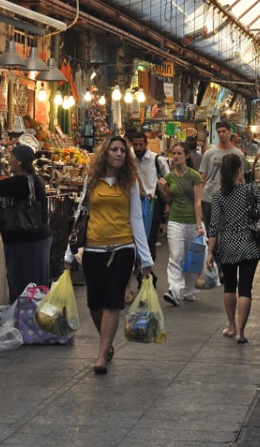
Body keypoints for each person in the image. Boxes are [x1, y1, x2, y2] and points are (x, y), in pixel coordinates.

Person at [77, 135, 154, 374]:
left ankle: (101, 355)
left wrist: (146, 257)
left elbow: (136, 219)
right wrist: (71, 252)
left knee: (112, 301)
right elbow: (82, 210)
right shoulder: (92, 179)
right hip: (93, 248)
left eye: (123, 150)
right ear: (105, 154)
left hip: (122, 248)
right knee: (94, 303)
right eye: (115, 150)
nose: (119, 154)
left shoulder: (129, 182)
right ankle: (106, 341)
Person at [0, 144, 52, 298]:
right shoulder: (29, 180)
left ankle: (26, 318)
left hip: (27, 241)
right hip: (33, 239)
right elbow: (16, 207)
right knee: (30, 285)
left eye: (12, 158)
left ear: (19, 162)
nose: (10, 161)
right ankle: (28, 317)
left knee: (25, 286)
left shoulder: (22, 181)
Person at [205, 153, 260, 344]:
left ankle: (231, 326)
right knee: (245, 289)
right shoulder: (250, 190)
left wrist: (210, 252)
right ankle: (241, 332)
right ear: (239, 171)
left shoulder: (218, 196)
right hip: (249, 244)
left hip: (228, 245)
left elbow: (214, 226)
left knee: (230, 286)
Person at [160, 143, 204, 306]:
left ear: (186, 156)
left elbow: (198, 201)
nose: (176, 156)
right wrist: (163, 189)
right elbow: (169, 200)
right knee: (176, 255)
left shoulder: (194, 176)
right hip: (175, 220)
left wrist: (199, 225)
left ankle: (189, 289)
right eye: (174, 153)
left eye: (179, 153)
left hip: (192, 220)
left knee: (190, 256)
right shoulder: (170, 177)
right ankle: (174, 289)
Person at [127, 130, 169, 300]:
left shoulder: (157, 160)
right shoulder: (128, 160)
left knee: (149, 241)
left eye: (140, 145)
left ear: (145, 144)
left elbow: (169, 181)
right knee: (134, 242)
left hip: (153, 205)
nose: (138, 148)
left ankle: (147, 276)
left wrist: (168, 202)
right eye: (135, 145)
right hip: (133, 204)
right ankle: (143, 274)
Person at [199, 122, 245, 229]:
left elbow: (241, 177)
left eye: (224, 131)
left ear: (229, 132)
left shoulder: (238, 154)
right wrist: (198, 201)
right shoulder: (209, 153)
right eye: (219, 132)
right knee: (211, 230)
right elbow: (202, 177)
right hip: (209, 197)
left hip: (231, 198)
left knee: (229, 230)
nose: (221, 134)